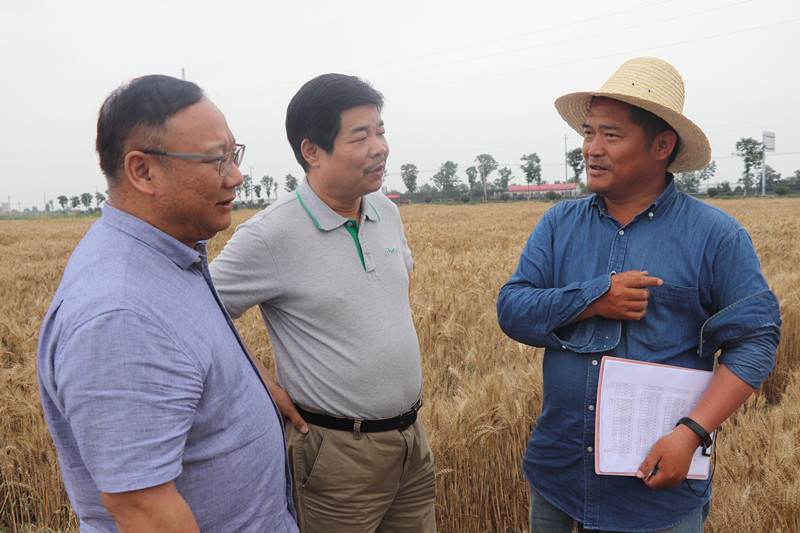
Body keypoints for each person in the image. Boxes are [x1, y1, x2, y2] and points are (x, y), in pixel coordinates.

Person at [497, 57, 781, 533]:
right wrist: (594, 299)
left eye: (611, 135)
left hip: (654, 492)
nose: (592, 149)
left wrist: (692, 434)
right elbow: (512, 310)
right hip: (557, 476)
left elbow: (756, 341)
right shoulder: (558, 224)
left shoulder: (716, 236)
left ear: (662, 145)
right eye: (589, 133)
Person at [37, 75, 298, 532]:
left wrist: (252, 382)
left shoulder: (170, 253)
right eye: (216, 160)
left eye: (233, 154)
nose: (235, 176)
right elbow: (144, 511)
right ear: (143, 171)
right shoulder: (120, 316)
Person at [210, 73, 436, 533]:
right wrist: (264, 384)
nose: (379, 148)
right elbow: (198, 310)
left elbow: (397, 289)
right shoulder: (270, 235)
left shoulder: (386, 210)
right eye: (361, 136)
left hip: (411, 441)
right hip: (336, 455)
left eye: (381, 131)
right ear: (312, 151)